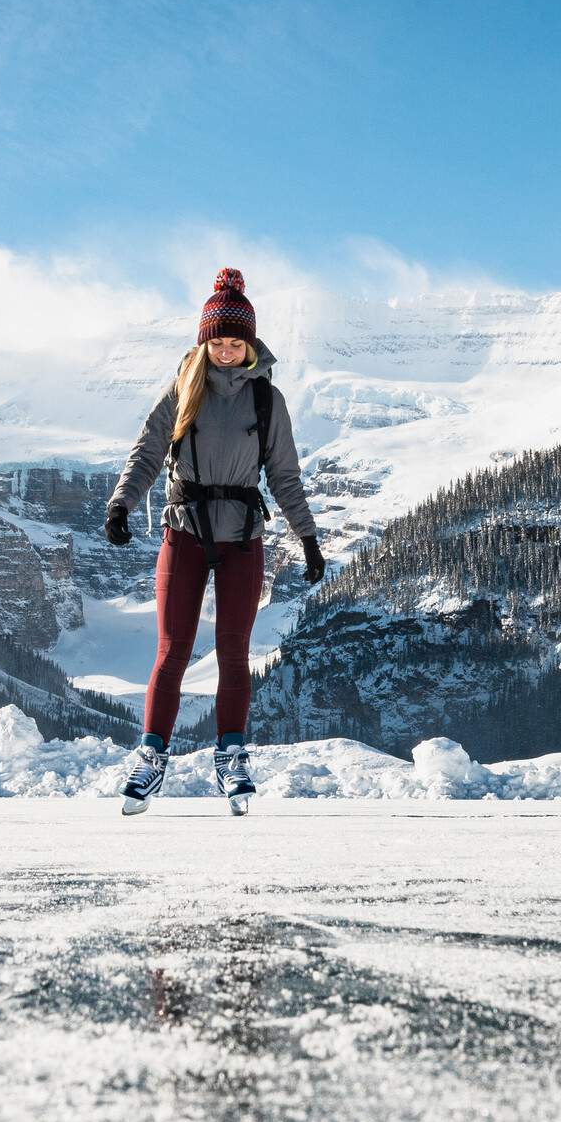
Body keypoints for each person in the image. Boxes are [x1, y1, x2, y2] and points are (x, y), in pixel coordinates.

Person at [103, 268, 324, 816]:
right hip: (185, 534)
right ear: (204, 343)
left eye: (235, 342)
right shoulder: (183, 392)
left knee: (233, 653)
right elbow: (148, 453)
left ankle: (231, 755)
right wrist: (121, 503)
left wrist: (309, 538)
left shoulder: (267, 402)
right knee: (172, 650)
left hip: (243, 541)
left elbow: (285, 476)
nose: (226, 351)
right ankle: (151, 757)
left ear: (249, 345)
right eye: (218, 342)